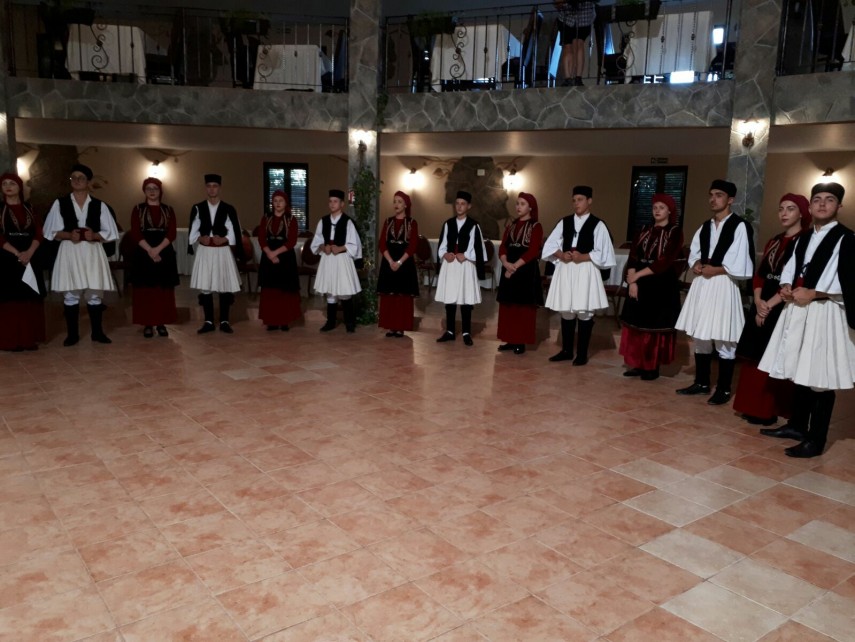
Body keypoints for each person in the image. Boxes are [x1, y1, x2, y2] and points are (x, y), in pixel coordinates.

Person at [758, 182, 855, 458]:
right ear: (810, 206)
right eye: (817, 199)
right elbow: (790, 269)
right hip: (798, 310)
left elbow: (851, 282)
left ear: (839, 206)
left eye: (829, 199)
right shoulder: (802, 238)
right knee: (799, 368)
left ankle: (816, 439)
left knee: (819, 376)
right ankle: (797, 426)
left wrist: (816, 293)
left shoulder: (847, 239)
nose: (822, 204)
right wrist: (787, 286)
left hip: (825, 312)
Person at [732, 194, 810, 425]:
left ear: (802, 213)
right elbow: (760, 274)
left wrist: (768, 306)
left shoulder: (805, 241)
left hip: (784, 305)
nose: (784, 213)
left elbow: (796, 280)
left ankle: (768, 410)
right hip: (763, 302)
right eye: (781, 208)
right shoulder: (774, 241)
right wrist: (758, 301)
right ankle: (751, 406)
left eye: (791, 208)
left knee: (774, 356)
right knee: (754, 356)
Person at [675, 179, 754, 404]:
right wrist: (696, 264)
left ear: (730, 200)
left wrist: (717, 269)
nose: (713, 199)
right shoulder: (705, 226)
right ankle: (701, 383)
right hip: (703, 284)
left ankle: (724, 389)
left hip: (723, 284)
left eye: (719, 195)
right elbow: (694, 252)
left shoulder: (739, 226)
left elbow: (741, 259)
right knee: (701, 335)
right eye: (711, 195)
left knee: (723, 337)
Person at [43, 163, 118, 346]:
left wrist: (95, 235)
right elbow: (50, 231)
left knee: (94, 293)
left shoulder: (99, 205)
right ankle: (72, 335)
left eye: (81, 178)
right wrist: (68, 235)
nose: (77, 181)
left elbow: (110, 231)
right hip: (70, 251)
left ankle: (97, 333)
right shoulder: (60, 203)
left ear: (88, 182)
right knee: (71, 293)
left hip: (92, 252)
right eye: (74, 178)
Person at [543, 185, 616, 366]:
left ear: (589, 201)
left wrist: (583, 256)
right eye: (574, 200)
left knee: (584, 310)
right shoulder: (564, 222)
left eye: (580, 200)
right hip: (567, 269)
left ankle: (582, 354)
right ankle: (567, 351)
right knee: (567, 309)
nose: (576, 203)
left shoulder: (598, 224)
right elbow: (550, 244)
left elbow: (604, 251)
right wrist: (561, 255)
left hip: (586, 270)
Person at [619, 193, 684, 380]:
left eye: (662, 208)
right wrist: (633, 281)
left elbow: (664, 261)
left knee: (654, 326)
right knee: (637, 325)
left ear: (669, 211)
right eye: (655, 207)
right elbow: (633, 256)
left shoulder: (675, 232)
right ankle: (637, 363)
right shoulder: (644, 229)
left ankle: (651, 366)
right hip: (640, 281)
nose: (657, 211)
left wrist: (637, 276)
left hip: (661, 283)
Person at [188, 174, 243, 334]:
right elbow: (194, 228)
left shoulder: (228, 208)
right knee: (206, 286)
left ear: (220, 188)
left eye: (215, 186)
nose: (212, 189)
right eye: (209, 186)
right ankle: (209, 321)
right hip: (205, 251)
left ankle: (224, 321)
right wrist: (200, 238)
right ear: (206, 188)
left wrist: (224, 239)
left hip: (222, 251)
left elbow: (234, 229)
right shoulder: (198, 207)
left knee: (223, 285)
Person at [0, 173, 46, 351]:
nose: (8, 186)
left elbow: (39, 233)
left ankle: (29, 339)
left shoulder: (30, 208)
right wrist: (17, 253)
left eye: (12, 183)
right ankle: (10, 340)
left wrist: (29, 253)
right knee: (10, 299)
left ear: (19, 187)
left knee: (29, 297)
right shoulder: (0, 209)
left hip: (30, 257)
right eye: (4, 183)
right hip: (6, 259)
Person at [435, 190, 487, 346]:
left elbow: (478, 248)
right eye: (457, 203)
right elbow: (442, 245)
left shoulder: (473, 225)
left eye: (463, 204)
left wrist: (466, 255)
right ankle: (450, 331)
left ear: (468, 206)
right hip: (451, 265)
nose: (459, 206)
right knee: (450, 298)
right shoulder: (448, 224)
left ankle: (466, 332)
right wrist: (445, 254)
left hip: (465, 266)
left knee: (465, 299)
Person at [128, 177, 178, 338]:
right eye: (148, 188)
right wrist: (150, 250)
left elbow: (172, 233)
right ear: (144, 191)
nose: (152, 191)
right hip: (143, 252)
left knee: (162, 290)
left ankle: (161, 322)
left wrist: (157, 250)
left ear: (160, 191)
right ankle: (147, 323)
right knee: (145, 290)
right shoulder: (137, 209)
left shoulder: (169, 210)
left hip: (164, 251)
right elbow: (136, 232)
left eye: (155, 188)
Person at [496, 192, 544, 354]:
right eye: (517, 203)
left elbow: (533, 251)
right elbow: (503, 247)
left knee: (522, 307)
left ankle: (520, 341)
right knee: (508, 306)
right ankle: (510, 339)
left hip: (525, 271)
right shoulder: (511, 225)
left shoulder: (536, 226)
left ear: (530, 207)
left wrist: (513, 267)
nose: (518, 207)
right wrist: (505, 263)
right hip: (509, 266)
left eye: (522, 204)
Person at [311, 189, 363, 333]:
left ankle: (349, 322)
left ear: (342, 204)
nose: (332, 204)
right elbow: (317, 241)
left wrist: (340, 248)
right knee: (331, 291)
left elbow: (354, 243)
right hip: (328, 259)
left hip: (342, 259)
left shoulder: (348, 222)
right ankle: (330, 321)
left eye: (335, 201)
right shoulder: (323, 221)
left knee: (344, 290)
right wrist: (324, 247)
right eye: (330, 201)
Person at [377, 190, 419, 338]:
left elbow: (412, 245)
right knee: (389, 295)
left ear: (406, 205)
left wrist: (400, 262)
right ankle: (390, 326)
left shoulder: (412, 223)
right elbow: (382, 244)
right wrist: (390, 261)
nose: (396, 204)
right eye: (394, 201)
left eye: (400, 202)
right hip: (389, 262)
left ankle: (400, 326)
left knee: (402, 296)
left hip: (405, 263)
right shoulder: (388, 221)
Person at [257, 190, 302, 331]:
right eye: (275, 201)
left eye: (280, 201)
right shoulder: (266, 218)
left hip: (285, 257)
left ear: (286, 203)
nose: (278, 203)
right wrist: (269, 253)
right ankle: (271, 321)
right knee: (270, 290)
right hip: (268, 256)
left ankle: (284, 321)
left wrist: (275, 253)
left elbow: (292, 241)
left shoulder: (291, 219)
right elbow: (261, 238)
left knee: (285, 290)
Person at [554, 0, 596, 86]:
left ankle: (574, 78)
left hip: (582, 16)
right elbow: (557, 3)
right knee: (570, 46)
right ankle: (572, 78)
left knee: (576, 44)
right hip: (568, 16)